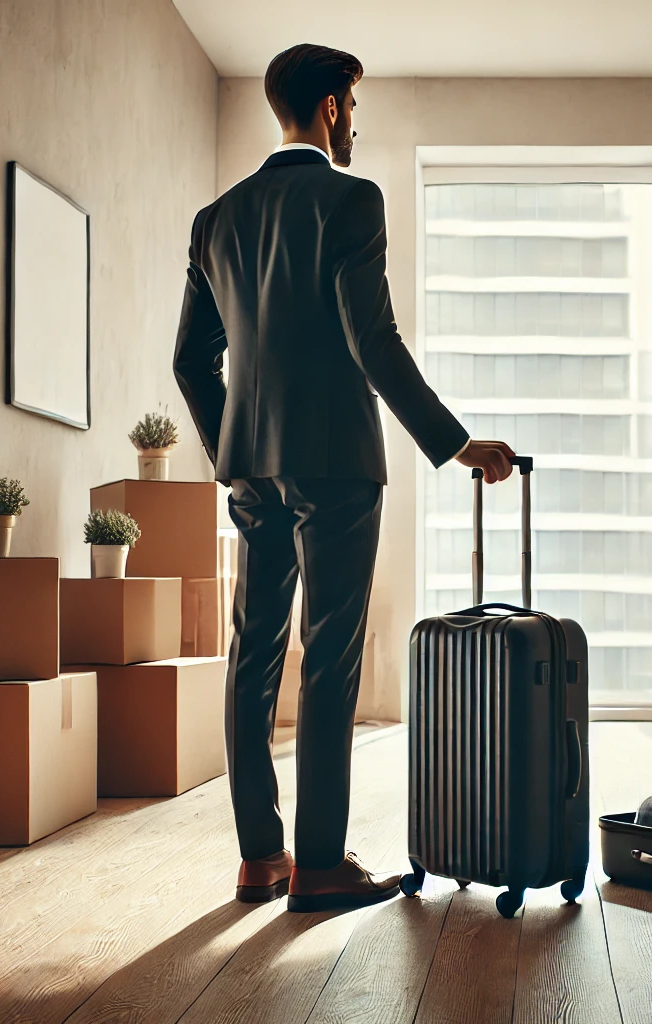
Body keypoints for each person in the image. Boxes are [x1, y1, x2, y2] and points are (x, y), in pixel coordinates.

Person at [173, 43, 515, 912]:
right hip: (335, 464)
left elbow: (189, 362)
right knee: (328, 658)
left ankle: (260, 859)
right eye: (353, 108)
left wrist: (233, 451)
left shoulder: (216, 220)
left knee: (252, 653)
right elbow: (374, 343)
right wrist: (457, 443)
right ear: (330, 107)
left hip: (253, 468)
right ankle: (321, 863)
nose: (354, 124)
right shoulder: (351, 199)